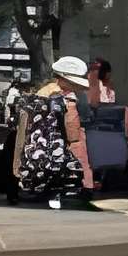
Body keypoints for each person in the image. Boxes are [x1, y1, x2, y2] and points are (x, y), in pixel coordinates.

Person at [13, 54, 95, 207]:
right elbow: (72, 129)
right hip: (58, 151)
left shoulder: (41, 93)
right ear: (65, 80)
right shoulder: (66, 97)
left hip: (36, 152)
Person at [82, 56, 128, 186]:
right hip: (105, 130)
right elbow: (94, 103)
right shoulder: (95, 85)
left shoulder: (99, 86)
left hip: (103, 130)